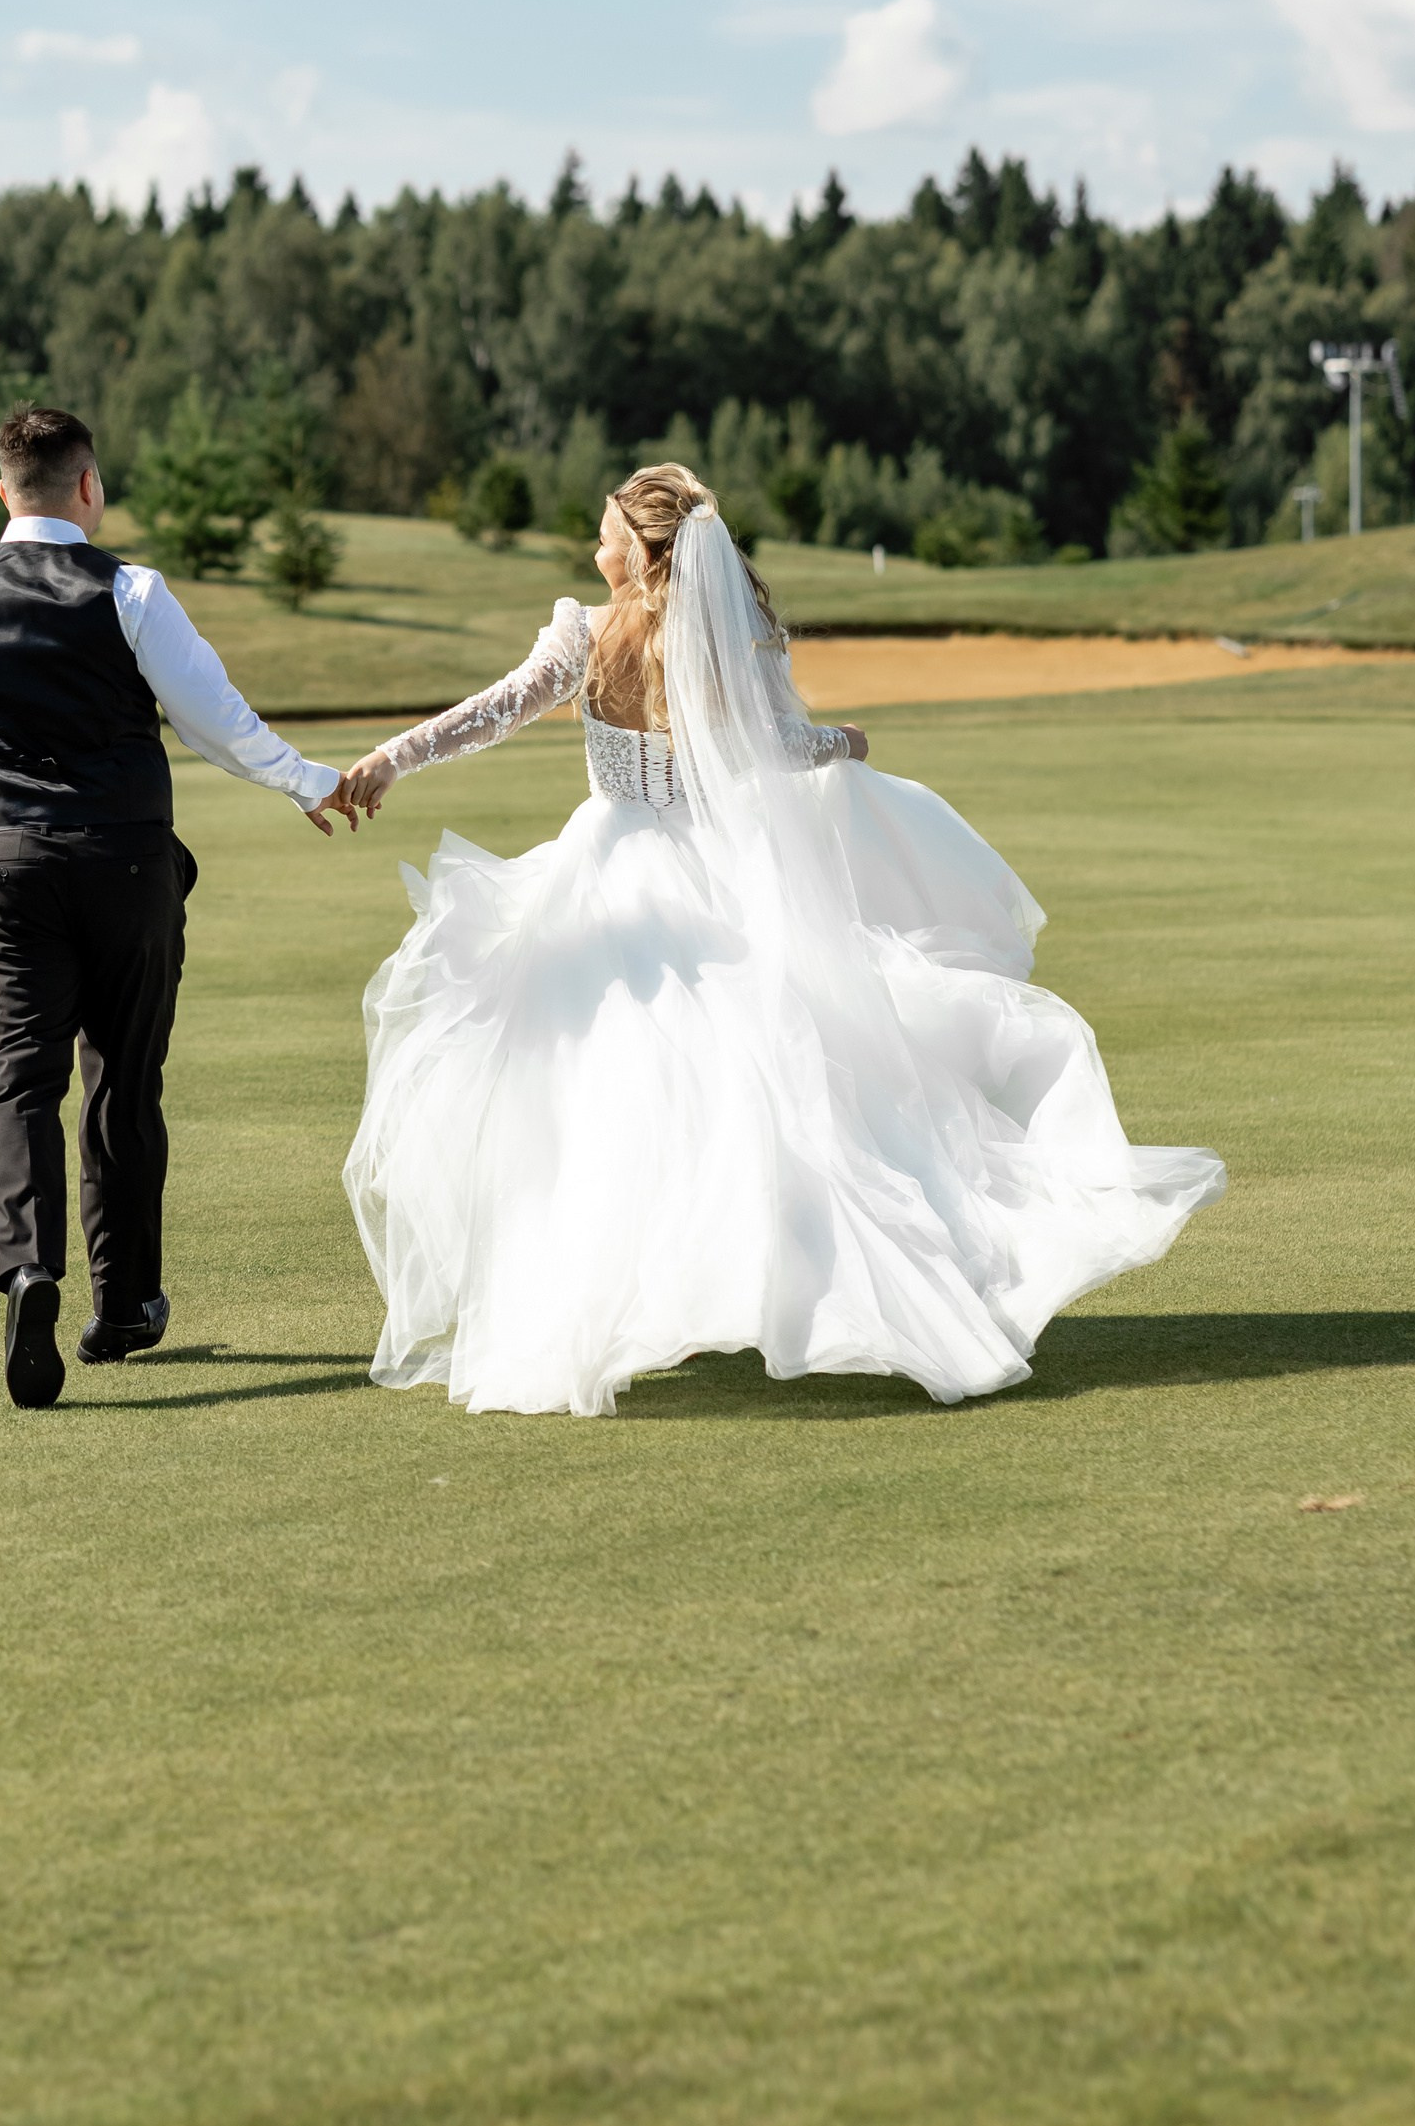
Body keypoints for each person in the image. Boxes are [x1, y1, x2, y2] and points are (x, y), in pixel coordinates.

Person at [336, 463, 1224, 1418]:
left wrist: (391, 758)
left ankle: (638, 1300)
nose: (592, 547)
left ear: (639, 551)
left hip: (606, 873)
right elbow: (776, 749)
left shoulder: (584, 638)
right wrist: (844, 741)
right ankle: (734, 1290)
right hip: (706, 881)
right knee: (741, 1095)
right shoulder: (714, 646)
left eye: (604, 533)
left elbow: (495, 711)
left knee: (611, 1102)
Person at [0, 405, 353, 1408]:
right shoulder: (132, 590)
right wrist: (305, 779)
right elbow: (214, 719)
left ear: (4, 490)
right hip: (128, 861)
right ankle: (125, 1304)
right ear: (87, 486)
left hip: (4, 863)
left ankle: (28, 1268)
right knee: (121, 1084)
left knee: (17, 1076)